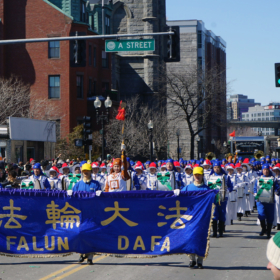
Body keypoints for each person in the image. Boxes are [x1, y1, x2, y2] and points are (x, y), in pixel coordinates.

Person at [181, 166, 210, 269]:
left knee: (201, 238)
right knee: (190, 238)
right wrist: (176, 193)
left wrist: (217, 196)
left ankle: (200, 260)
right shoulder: (188, 188)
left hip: (203, 218)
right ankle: (192, 259)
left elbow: (214, 201)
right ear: (193, 175)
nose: (197, 177)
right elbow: (180, 198)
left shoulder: (207, 190)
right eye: (195, 175)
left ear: (202, 175)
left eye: (199, 175)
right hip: (190, 218)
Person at [72, 163, 101, 265]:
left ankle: (90, 256)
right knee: (80, 233)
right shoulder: (77, 184)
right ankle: (82, 253)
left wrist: (99, 194)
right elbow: (73, 199)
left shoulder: (95, 184)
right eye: (84, 171)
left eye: (87, 171)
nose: (85, 173)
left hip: (92, 213)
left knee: (91, 233)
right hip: (81, 213)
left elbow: (99, 199)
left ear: (90, 172)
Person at [207, 161, 233, 237]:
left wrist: (227, 190)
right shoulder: (210, 177)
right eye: (215, 167)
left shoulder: (225, 176)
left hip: (223, 198)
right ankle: (214, 232)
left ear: (220, 168)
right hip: (214, 198)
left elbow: (230, 186)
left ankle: (221, 231)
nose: (216, 169)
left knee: (222, 213)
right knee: (214, 214)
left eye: (217, 167)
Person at [254, 164, 280, 238]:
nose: (266, 171)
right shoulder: (259, 179)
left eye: (267, 170)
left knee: (270, 217)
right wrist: (255, 194)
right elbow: (255, 188)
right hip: (260, 201)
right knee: (261, 215)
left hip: (270, 201)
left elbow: (276, 189)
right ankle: (263, 228)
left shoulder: (273, 179)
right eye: (264, 170)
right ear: (262, 170)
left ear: (269, 170)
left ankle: (268, 232)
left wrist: (277, 191)